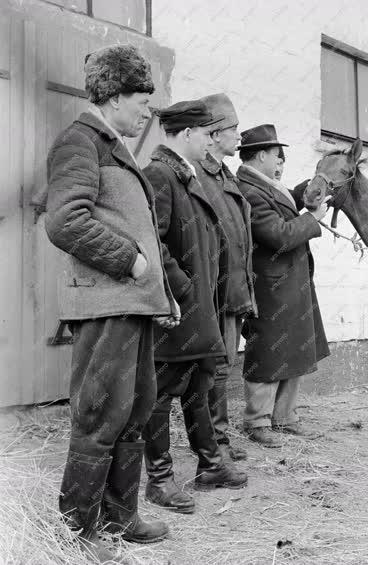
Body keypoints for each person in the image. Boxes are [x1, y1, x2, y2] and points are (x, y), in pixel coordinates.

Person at [45, 44, 178, 561]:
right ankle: (76, 532)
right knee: (101, 414)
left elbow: (132, 224)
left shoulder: (113, 145)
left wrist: (159, 294)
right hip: (105, 305)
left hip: (132, 304)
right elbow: (65, 222)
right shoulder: (80, 142)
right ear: (114, 95)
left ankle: (120, 519)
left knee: (134, 411)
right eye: (142, 99)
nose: (147, 111)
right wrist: (133, 263)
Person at [141, 99, 248, 515]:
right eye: (206, 134)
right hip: (178, 311)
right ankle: (160, 479)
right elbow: (153, 242)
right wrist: (182, 291)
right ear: (186, 134)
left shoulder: (185, 176)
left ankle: (210, 466)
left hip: (199, 308)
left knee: (199, 387)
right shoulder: (160, 175)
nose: (211, 142)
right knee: (162, 394)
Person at [236, 124, 331, 448]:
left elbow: (284, 203)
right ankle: (257, 421)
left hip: (287, 281)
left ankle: (285, 416)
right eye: (279, 157)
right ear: (261, 155)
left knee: (295, 348)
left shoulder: (263, 185)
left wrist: (310, 187)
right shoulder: (248, 190)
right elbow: (278, 233)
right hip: (270, 286)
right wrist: (313, 218)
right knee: (267, 350)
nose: (282, 163)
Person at [196, 94, 255, 462]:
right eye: (233, 129)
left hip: (230, 287)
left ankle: (218, 438)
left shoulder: (223, 174)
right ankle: (212, 442)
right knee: (212, 368)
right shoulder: (200, 174)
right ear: (214, 134)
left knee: (222, 366)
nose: (239, 136)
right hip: (211, 290)